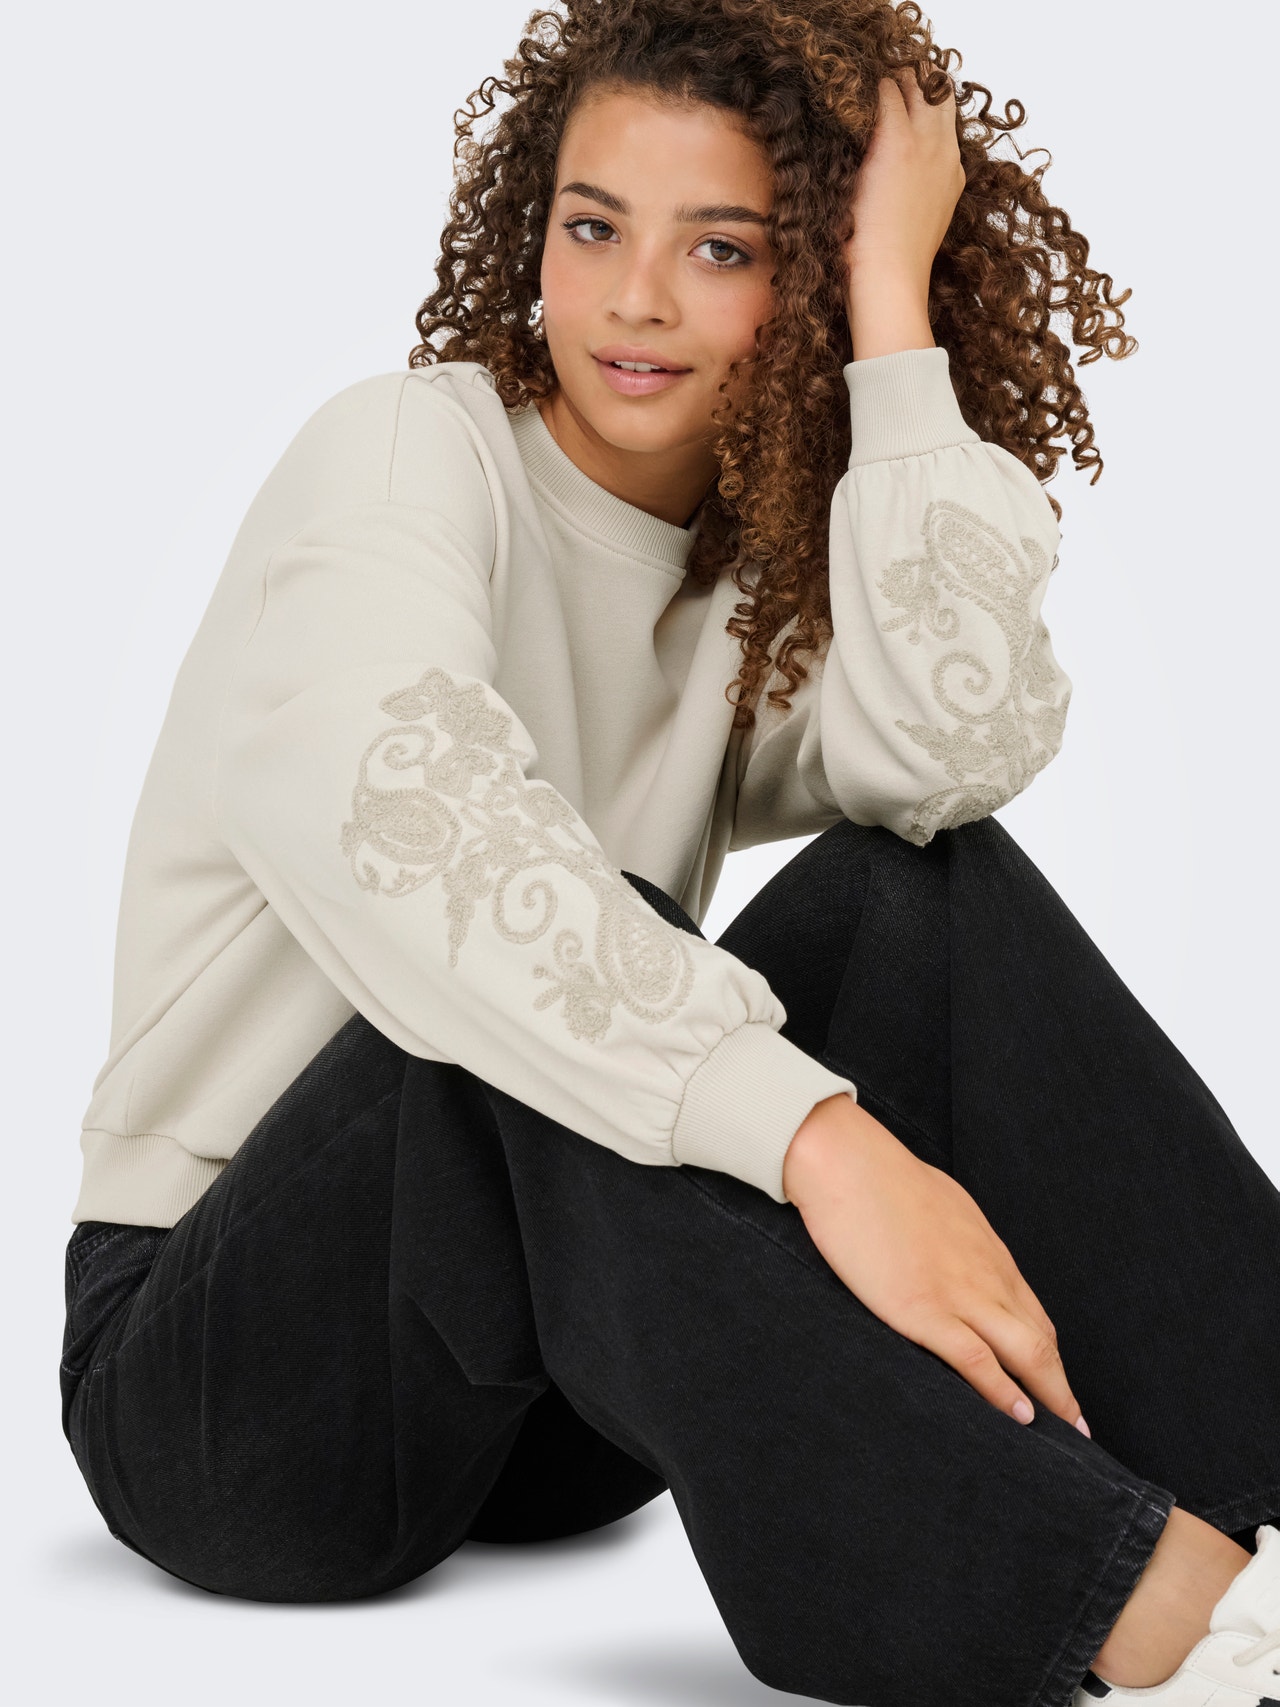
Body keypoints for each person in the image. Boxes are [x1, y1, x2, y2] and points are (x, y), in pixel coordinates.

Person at [59, 3, 1280, 1705]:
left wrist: (892, 321)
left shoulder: (750, 576)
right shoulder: (404, 456)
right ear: (532, 236)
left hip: (554, 1397)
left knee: (924, 888)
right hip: (233, 1383)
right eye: (592, 228)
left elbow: (947, 755)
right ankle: (1133, 1617)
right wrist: (825, 1146)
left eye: (723, 249)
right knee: (514, 1004)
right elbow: (416, 836)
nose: (635, 299)